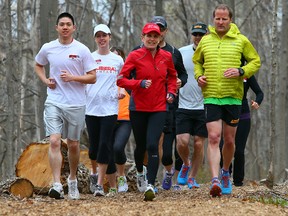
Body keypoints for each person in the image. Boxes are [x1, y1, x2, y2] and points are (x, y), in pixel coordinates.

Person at [193, 4, 261, 197]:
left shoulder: (241, 40)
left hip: (233, 97)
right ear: (213, 19)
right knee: (214, 138)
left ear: (230, 20)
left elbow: (255, 61)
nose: (220, 22)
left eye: (224, 19)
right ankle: (215, 180)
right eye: (217, 19)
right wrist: (199, 76)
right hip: (212, 95)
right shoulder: (206, 41)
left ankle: (225, 172)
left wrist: (241, 71)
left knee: (230, 141)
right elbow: (197, 61)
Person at [34, 12, 97, 200]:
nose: (65, 27)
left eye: (68, 24)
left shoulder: (82, 50)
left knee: (74, 144)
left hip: (76, 103)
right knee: (54, 140)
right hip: (54, 100)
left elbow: (93, 76)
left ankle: (72, 179)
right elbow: (38, 64)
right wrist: (46, 80)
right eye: (61, 24)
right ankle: (56, 184)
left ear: (74, 28)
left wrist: (73, 78)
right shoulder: (48, 48)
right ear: (56, 27)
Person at [117, 23, 177, 201]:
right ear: (142, 38)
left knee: (153, 144)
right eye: (148, 36)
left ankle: (150, 184)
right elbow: (121, 80)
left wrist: (171, 92)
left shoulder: (166, 56)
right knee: (140, 146)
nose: (152, 39)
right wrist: (139, 83)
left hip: (159, 107)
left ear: (160, 39)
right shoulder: (135, 55)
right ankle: (141, 173)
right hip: (138, 108)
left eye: (155, 36)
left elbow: (172, 77)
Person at [149, 16, 188, 191]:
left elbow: (184, 75)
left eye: (161, 29)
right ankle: (151, 181)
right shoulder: (142, 51)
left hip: (171, 103)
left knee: (168, 146)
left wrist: (181, 82)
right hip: (149, 104)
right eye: (154, 28)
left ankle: (169, 173)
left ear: (165, 31)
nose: (157, 32)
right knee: (152, 143)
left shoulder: (174, 52)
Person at [85, 24, 125, 197]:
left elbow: (122, 79)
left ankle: (100, 185)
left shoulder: (117, 60)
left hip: (109, 109)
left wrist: (122, 90)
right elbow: (83, 78)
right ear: (95, 38)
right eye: (98, 36)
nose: (101, 39)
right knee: (93, 149)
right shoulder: (89, 58)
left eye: (104, 36)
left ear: (109, 37)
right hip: (91, 108)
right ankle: (95, 176)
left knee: (104, 145)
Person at [176, 22, 208, 189]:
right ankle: (186, 163)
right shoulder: (182, 52)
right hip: (183, 104)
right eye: (195, 34)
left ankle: (192, 178)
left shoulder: (211, 53)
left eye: (201, 34)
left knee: (198, 143)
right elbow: (174, 73)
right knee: (182, 142)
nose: (198, 37)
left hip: (204, 105)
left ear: (206, 36)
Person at [220, 75, 264, 186]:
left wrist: (257, 102)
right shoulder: (225, 70)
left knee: (239, 150)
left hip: (243, 114)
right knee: (224, 146)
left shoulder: (247, 74)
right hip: (227, 113)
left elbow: (259, 92)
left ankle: (238, 182)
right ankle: (225, 175)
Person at [110, 46, 131, 192]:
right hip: (106, 116)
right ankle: (111, 185)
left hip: (125, 118)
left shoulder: (128, 76)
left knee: (118, 148)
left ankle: (122, 176)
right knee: (107, 150)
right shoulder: (101, 77)